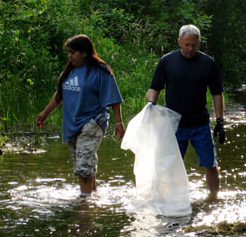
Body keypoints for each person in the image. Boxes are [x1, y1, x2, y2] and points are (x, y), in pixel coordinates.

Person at [36, 34, 125, 198]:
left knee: (84, 166)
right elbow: (59, 96)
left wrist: (119, 122)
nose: (70, 56)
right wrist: (45, 113)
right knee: (82, 162)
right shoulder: (68, 72)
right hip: (72, 124)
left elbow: (113, 98)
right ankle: (93, 195)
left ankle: (84, 206)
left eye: (73, 52)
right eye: (69, 52)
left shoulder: (101, 71)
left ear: (84, 53)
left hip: (93, 122)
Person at [146, 24, 225, 201]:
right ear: (179, 42)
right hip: (173, 123)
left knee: (210, 164)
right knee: (169, 165)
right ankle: (170, 199)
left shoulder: (208, 63)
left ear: (199, 43)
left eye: (194, 45)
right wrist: (150, 104)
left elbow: (217, 93)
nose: (190, 49)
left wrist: (220, 121)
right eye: (187, 45)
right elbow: (154, 88)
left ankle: (214, 198)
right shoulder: (167, 61)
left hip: (200, 123)